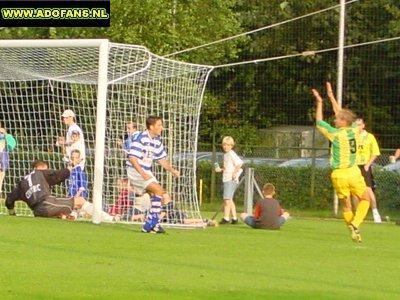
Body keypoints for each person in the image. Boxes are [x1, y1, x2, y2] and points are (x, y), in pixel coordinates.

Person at [312, 82, 370, 243]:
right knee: (366, 199)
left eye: (337, 119)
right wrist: (331, 97)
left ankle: (353, 229)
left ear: (343, 121)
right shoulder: (354, 130)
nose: (335, 120)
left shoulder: (334, 134)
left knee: (346, 205)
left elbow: (319, 121)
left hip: (338, 175)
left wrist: (320, 102)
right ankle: (356, 224)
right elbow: (341, 113)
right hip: (353, 172)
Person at [6, 160, 115, 221]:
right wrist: (71, 167)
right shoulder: (41, 173)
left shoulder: (22, 183)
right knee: (80, 201)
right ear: (41, 168)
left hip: (37, 212)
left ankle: (66, 216)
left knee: (64, 213)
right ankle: (109, 219)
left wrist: (13, 214)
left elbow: (9, 200)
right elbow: (60, 174)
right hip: (46, 204)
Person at [126, 115, 180, 233]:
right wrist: (142, 174)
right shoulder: (141, 138)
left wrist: (173, 170)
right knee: (159, 191)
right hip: (136, 170)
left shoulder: (157, 142)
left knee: (160, 195)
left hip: (145, 171)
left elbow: (162, 161)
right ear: (151, 127)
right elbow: (132, 158)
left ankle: (154, 225)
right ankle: (148, 225)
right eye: (159, 125)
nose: (162, 128)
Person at [354, 118, 382, 223]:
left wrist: (367, 165)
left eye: (359, 125)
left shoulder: (369, 137)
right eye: (355, 125)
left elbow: (375, 153)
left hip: (364, 166)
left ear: (363, 126)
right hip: (354, 166)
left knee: (368, 189)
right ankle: (358, 214)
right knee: (354, 191)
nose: (357, 127)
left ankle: (375, 213)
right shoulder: (352, 137)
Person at [215, 136, 243, 224]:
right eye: (224, 145)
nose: (225, 147)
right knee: (229, 199)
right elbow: (226, 167)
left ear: (231, 146)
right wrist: (220, 169)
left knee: (227, 199)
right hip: (226, 178)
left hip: (230, 179)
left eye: (228, 145)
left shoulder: (231, 153)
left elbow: (239, 163)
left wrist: (234, 173)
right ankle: (234, 218)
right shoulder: (226, 155)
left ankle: (226, 218)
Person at [0, 127, 16, 196]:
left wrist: (5, 134)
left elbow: (11, 145)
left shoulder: (7, 136)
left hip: (2, 155)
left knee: (2, 173)